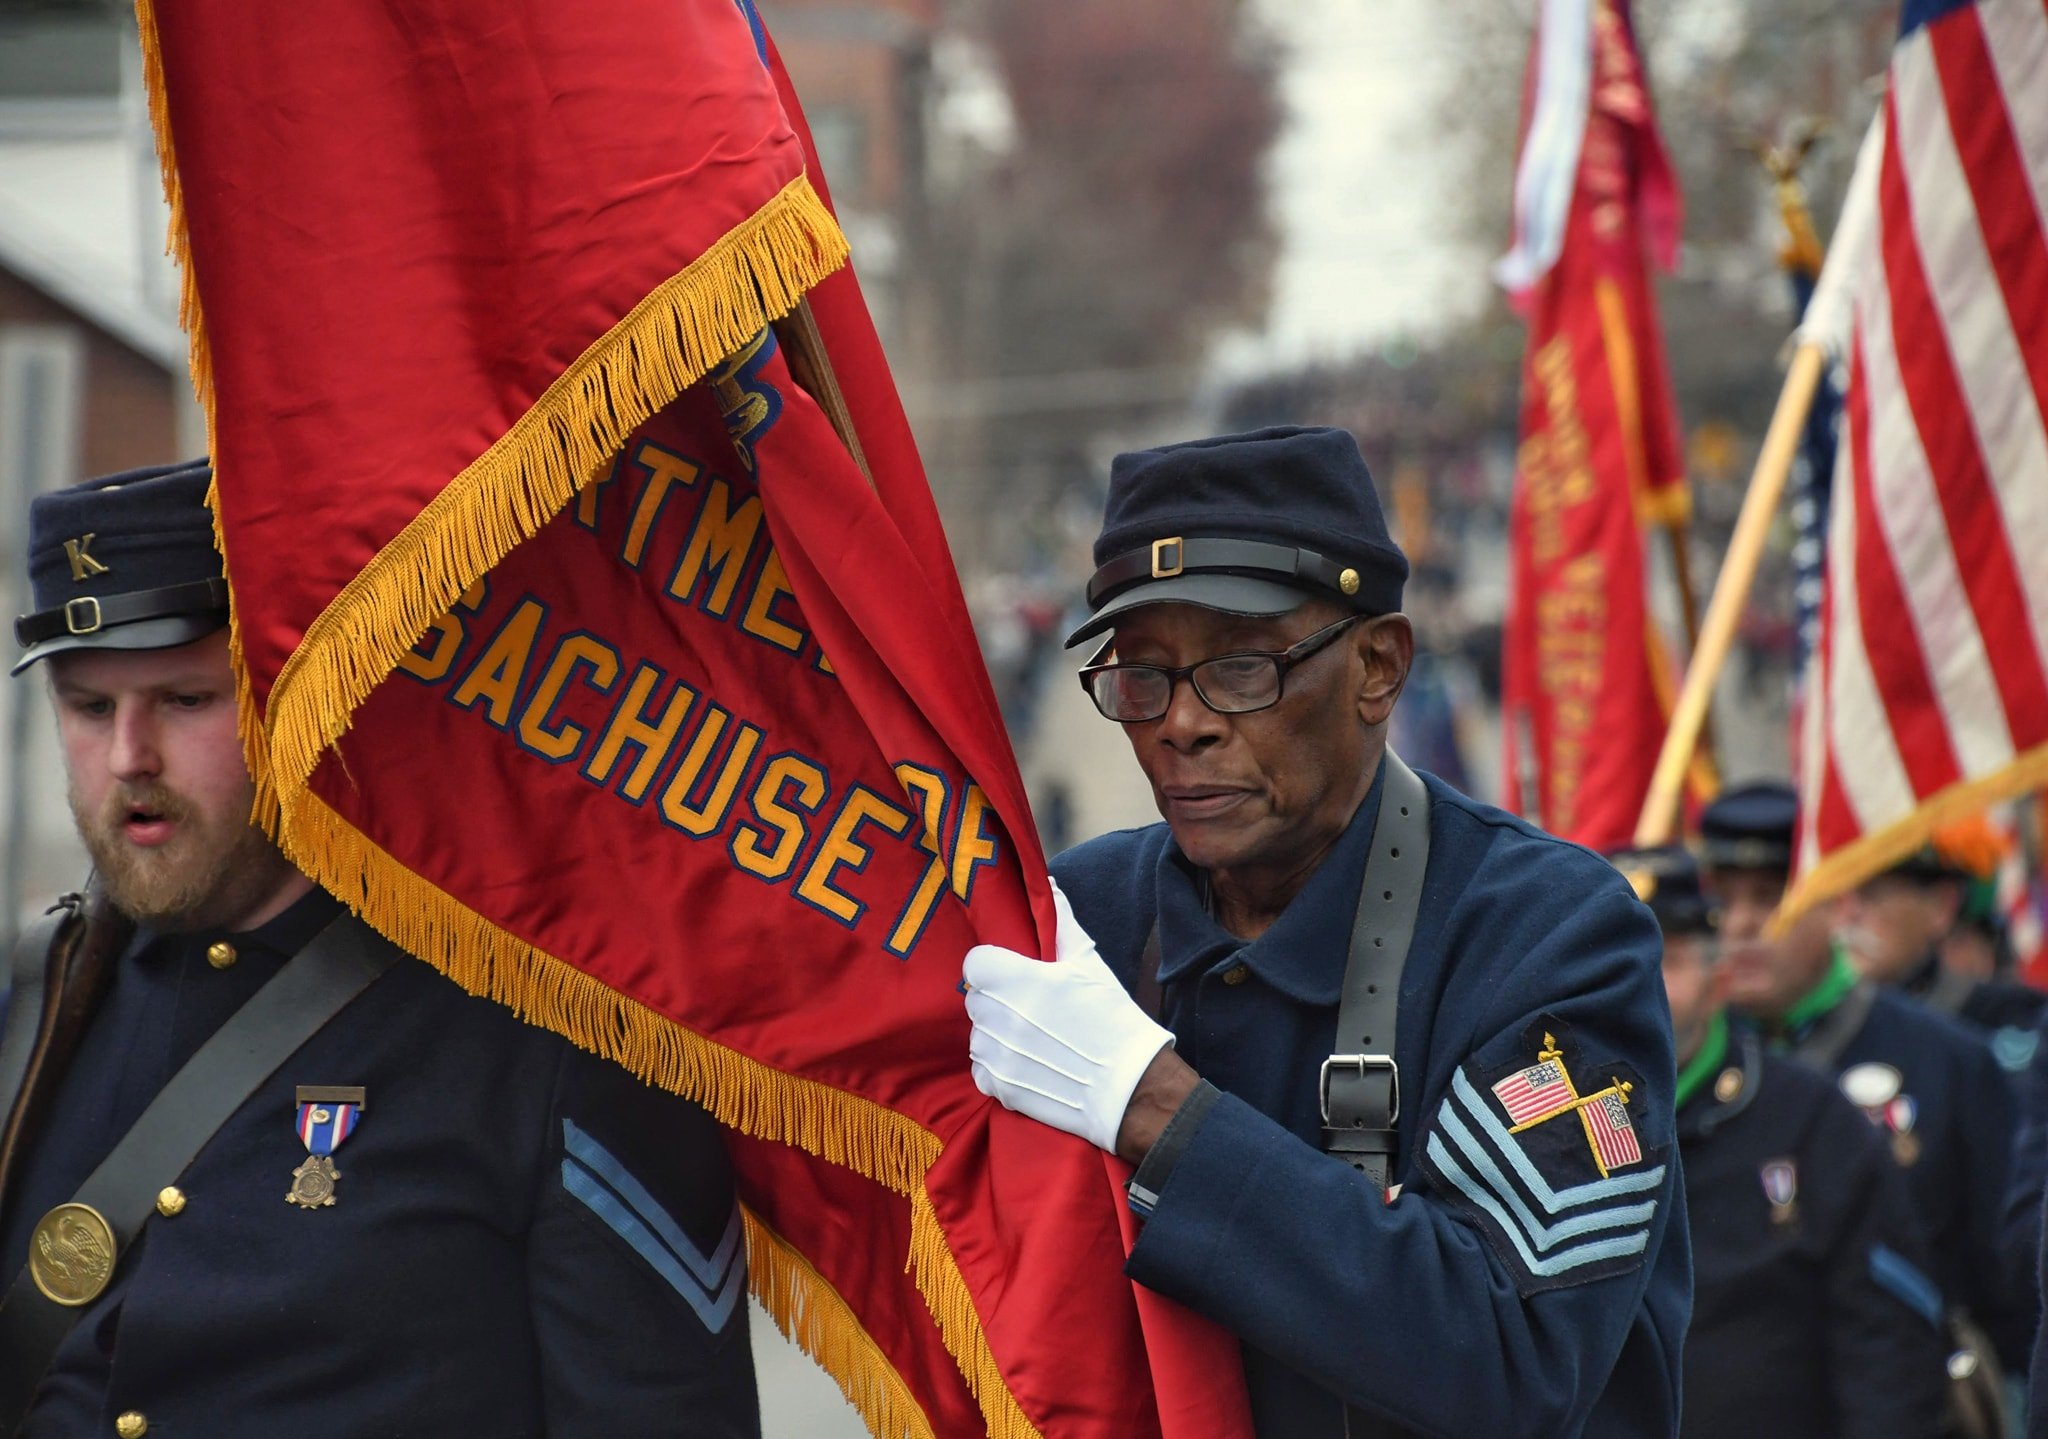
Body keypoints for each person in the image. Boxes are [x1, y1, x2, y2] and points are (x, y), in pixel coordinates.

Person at [0, 460, 759, 1436]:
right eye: (89, 706)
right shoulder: (36, 997)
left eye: (186, 699)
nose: (126, 756)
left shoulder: (547, 1037)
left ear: (307, 695)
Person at [962, 428, 1686, 1436]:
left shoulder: (1544, 934)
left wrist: (1157, 1108)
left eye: (1239, 667)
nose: (1182, 722)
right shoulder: (1080, 919)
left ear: (1376, 667)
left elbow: (1515, 1360)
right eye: (1141, 675)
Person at [1700, 781, 2035, 1379]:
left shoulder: (1948, 1060)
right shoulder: (1679, 1068)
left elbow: (2008, 1283)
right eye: (1720, 901)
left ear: (1836, 902)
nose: (1741, 925)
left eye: (1770, 897)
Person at [1611, 843, 1948, 1437]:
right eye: (1611, 958)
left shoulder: (1812, 1118)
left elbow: (1888, 1343)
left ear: (1720, 978)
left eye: (1669, 958)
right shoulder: (1545, 1125)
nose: (1638, 983)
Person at [1835, 820, 2046, 1070]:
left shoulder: (2011, 1019)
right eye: (1835, 900)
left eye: (1870, 895)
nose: (1847, 917)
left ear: (1940, 907)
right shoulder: (1804, 1027)